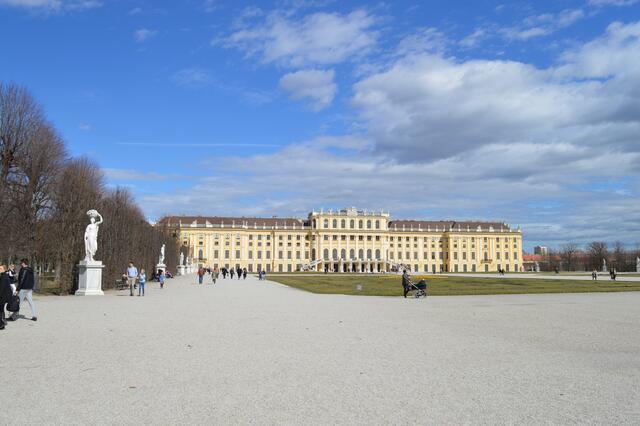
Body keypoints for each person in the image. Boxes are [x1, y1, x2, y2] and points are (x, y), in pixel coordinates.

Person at [0, 265, 13, 330]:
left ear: (4, 269)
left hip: (3, 296)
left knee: (1, 309)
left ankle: (1, 324)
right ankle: (3, 321)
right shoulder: (4, 275)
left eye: (0, 268)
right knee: (1, 309)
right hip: (5, 296)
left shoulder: (3, 277)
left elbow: (1, 288)